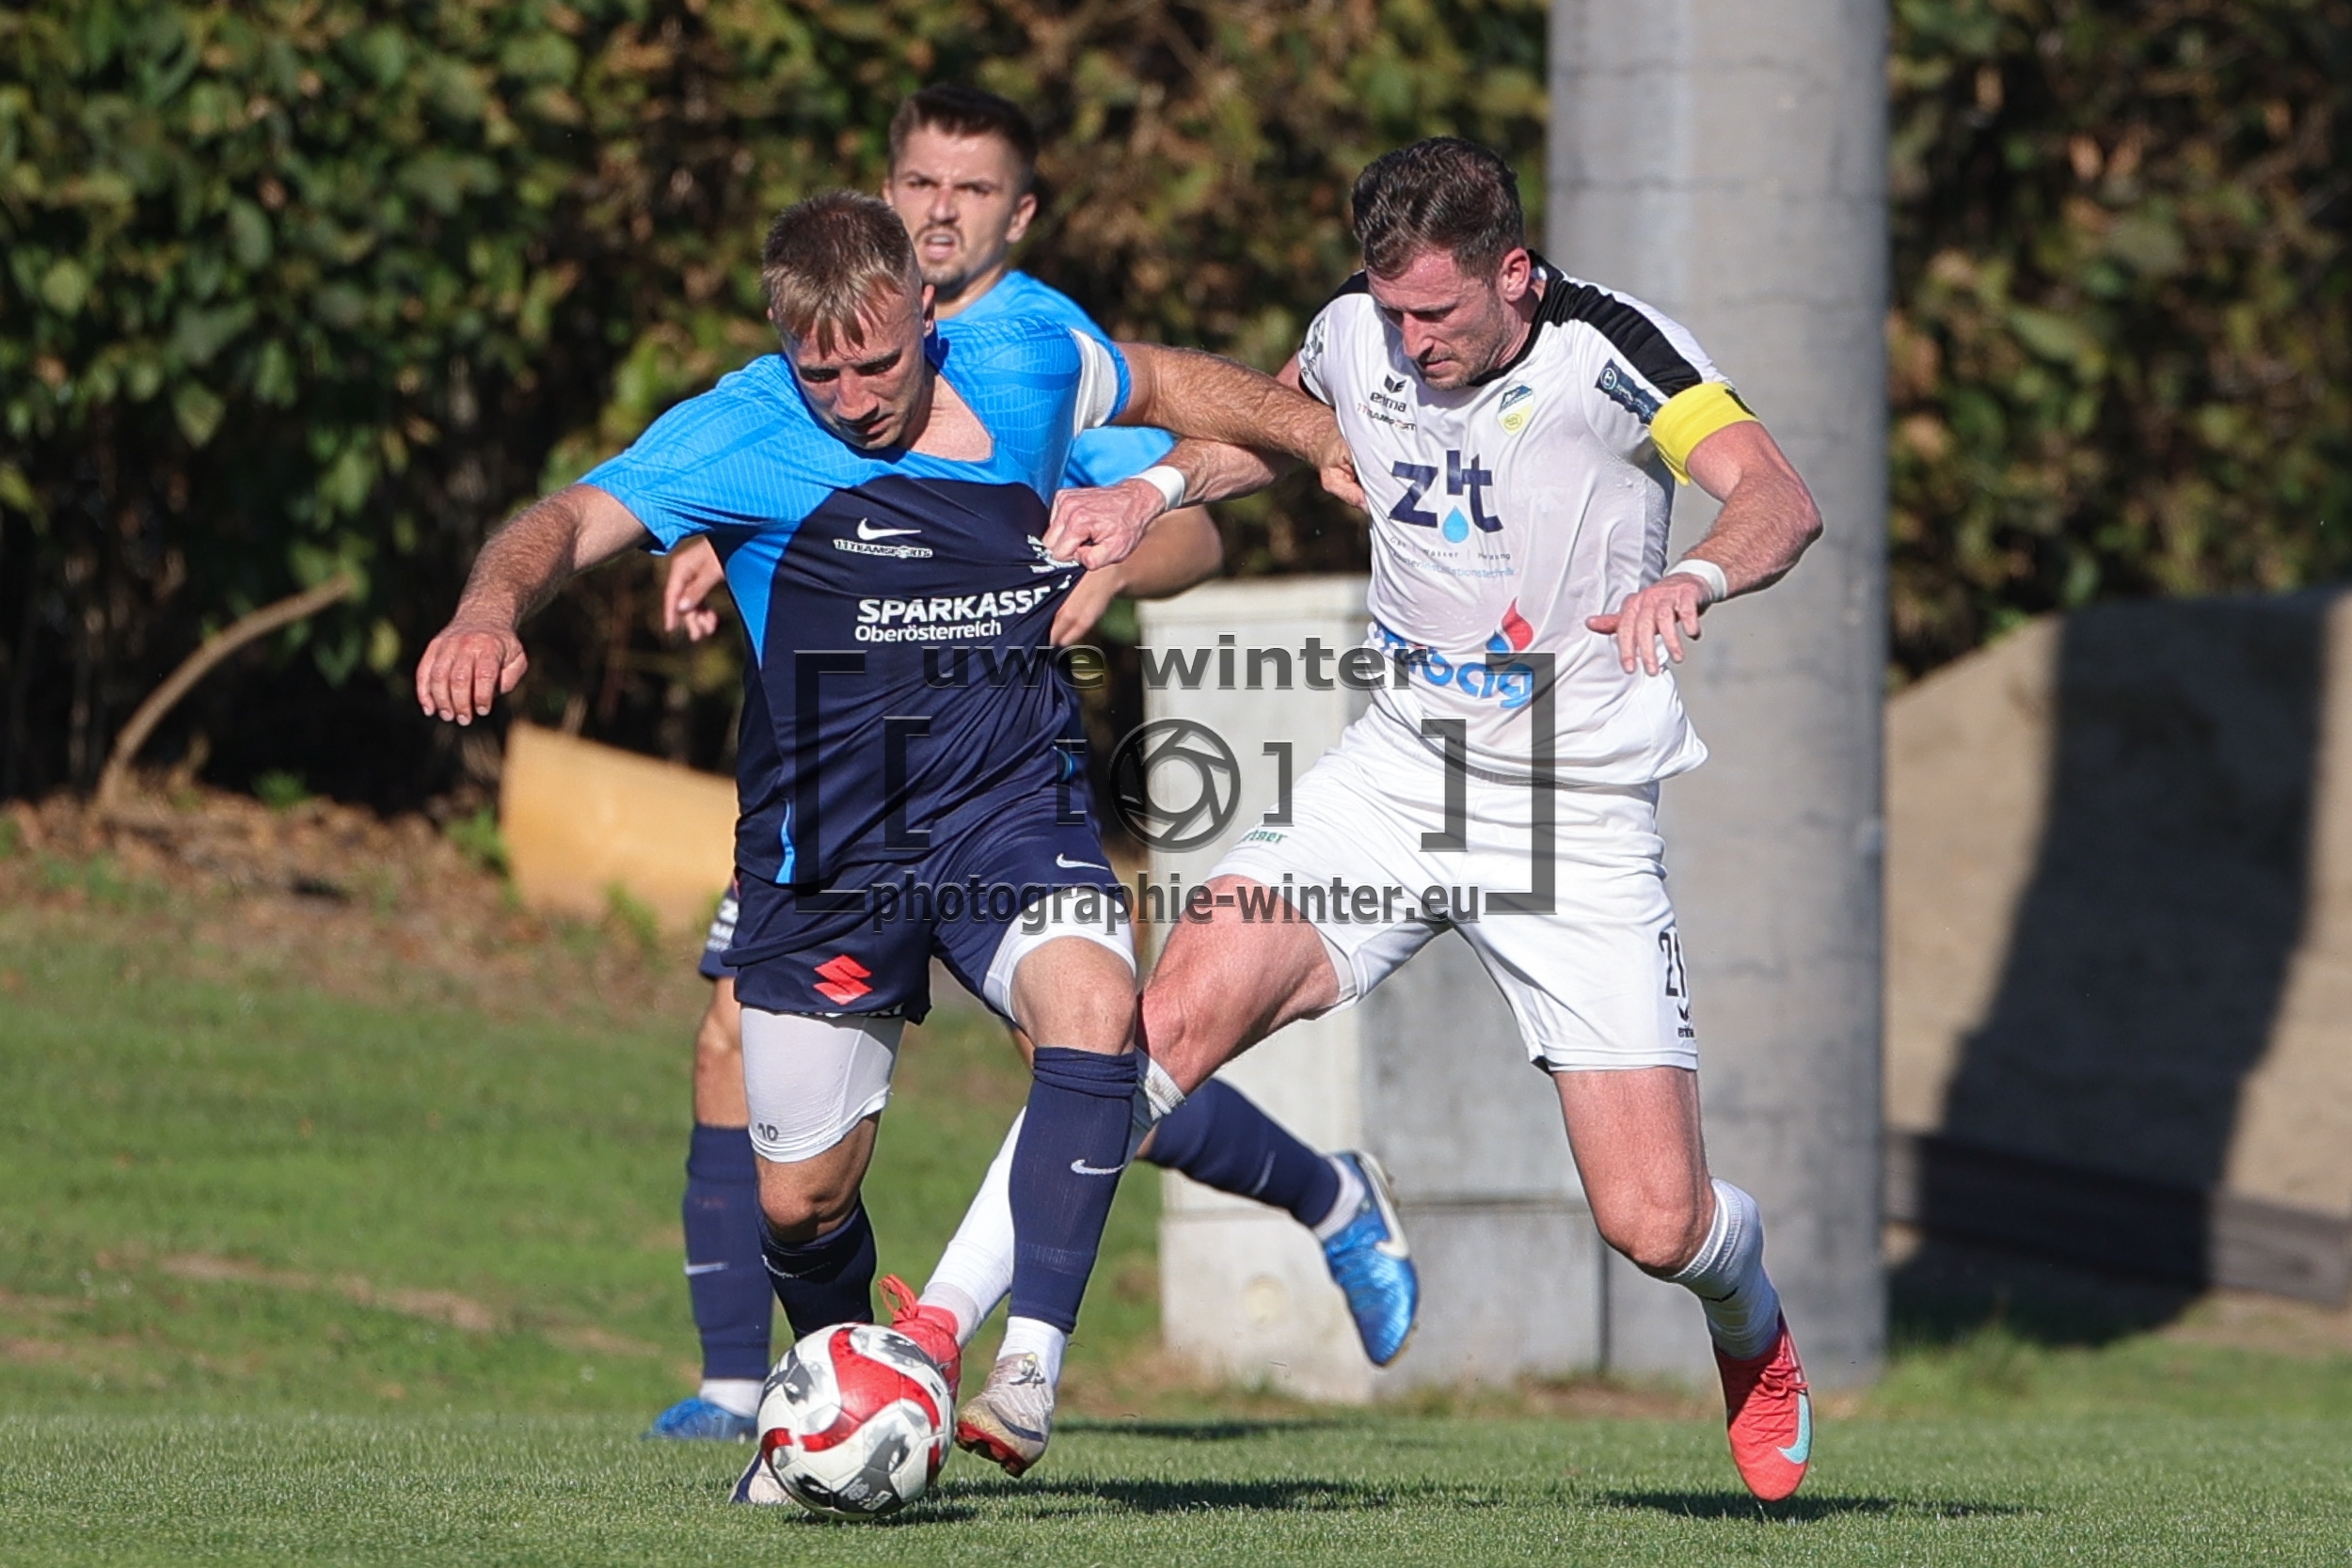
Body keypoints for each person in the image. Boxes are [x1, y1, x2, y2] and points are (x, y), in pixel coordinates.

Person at [414, 188, 1355, 1500]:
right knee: (800, 1202)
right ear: (781, 342)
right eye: (823, 374)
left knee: (1096, 1013)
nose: (853, 398)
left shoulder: (1022, 361)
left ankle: (1027, 1369)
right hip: (830, 862)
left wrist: (1321, 436)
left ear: (925, 308)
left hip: (1008, 810)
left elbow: (1165, 379)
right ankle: (848, 1399)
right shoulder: (741, 432)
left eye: (877, 363)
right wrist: (487, 611)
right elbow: (566, 521)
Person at [968, 137, 1827, 1500]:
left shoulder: (1614, 352)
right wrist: (1149, 488)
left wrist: (1699, 579)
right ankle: (945, 1340)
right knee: (1150, 1033)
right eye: (1391, 310)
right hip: (1395, 782)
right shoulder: (1354, 333)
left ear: (1513, 273)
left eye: (1437, 311)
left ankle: (1753, 1322)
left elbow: (1777, 496)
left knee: (1656, 1224)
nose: (1412, 342)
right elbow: (1271, 431)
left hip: (1574, 819)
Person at [640, 87, 1422, 1449]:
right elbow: (773, 475)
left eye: (973, 190)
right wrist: (721, 536)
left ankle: (1324, 1192)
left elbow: (1193, 525)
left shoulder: (1030, 352)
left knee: (1093, 1058)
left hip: (986, 768)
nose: (940, 210)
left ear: (1021, 214)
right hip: (829, 785)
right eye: (919, 184)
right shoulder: (838, 344)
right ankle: (744, 1387)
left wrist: (1109, 555)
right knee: (736, 1040)